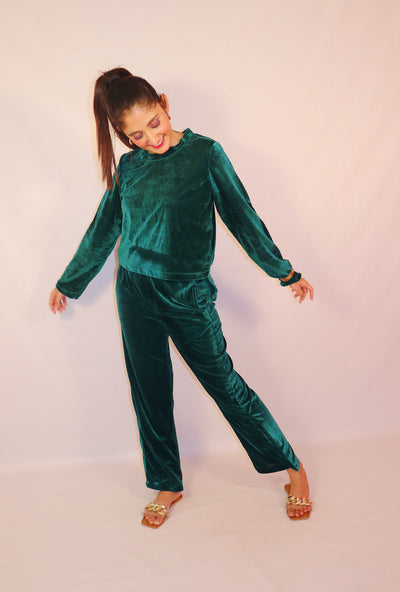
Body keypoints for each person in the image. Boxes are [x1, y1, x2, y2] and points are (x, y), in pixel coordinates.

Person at [49, 67, 314, 528]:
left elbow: (242, 216)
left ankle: (292, 469)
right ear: (123, 136)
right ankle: (167, 482)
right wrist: (69, 283)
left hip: (187, 295)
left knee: (225, 386)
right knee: (149, 391)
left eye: (154, 123)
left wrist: (284, 271)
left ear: (165, 105)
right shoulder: (129, 167)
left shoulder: (205, 154)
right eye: (136, 135)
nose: (151, 138)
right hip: (134, 292)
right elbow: (104, 228)